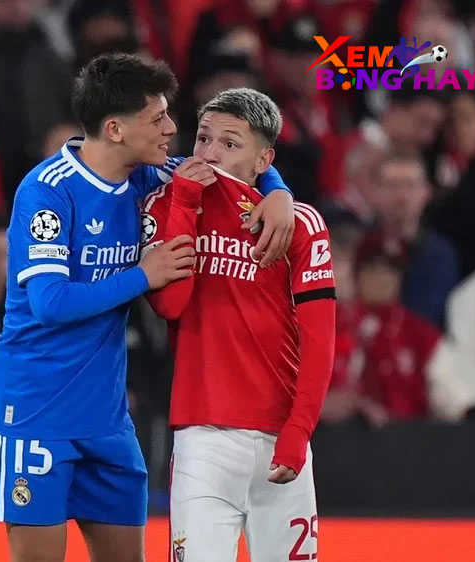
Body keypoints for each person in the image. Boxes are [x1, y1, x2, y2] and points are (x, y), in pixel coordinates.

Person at [0, 54, 296, 562]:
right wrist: (143, 275)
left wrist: (279, 193)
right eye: (157, 118)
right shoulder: (48, 192)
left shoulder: (150, 176)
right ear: (115, 129)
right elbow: (50, 303)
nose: (171, 129)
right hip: (35, 410)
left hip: (107, 418)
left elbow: (232, 171)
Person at [141, 88, 336, 561]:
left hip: (279, 433)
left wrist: (299, 431)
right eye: (203, 138)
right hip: (202, 439)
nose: (209, 153)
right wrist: (185, 204)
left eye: (229, 144)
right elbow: (169, 304)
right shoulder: (164, 203)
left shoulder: (299, 223)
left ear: (263, 159)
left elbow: (320, 339)